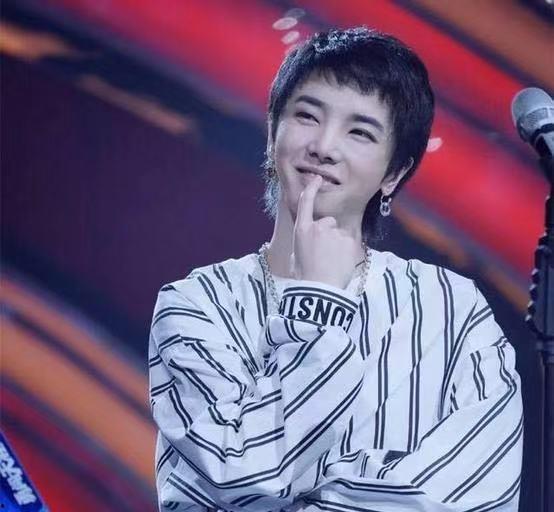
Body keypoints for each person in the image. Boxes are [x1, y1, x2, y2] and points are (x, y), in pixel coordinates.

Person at [148, 27, 523, 511]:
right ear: (272, 132)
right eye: (307, 116)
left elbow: (471, 499)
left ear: (394, 173)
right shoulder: (196, 304)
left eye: (359, 132)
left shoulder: (453, 308)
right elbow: (240, 470)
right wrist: (319, 300)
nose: (324, 146)